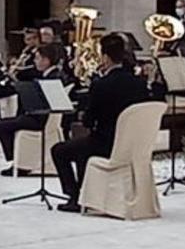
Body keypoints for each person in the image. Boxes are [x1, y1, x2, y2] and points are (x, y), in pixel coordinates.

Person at [51, 34, 152, 212]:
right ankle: (86, 194)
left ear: (105, 57)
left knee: (60, 150)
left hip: (106, 145)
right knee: (83, 148)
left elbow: (90, 121)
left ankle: (75, 196)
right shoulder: (139, 83)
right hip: (133, 146)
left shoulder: (102, 84)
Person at [0, 44, 67, 176]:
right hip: (39, 116)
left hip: (41, 118)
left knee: (0, 126)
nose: (35, 61)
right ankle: (18, 160)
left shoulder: (54, 77)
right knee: (3, 124)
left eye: (38, 58)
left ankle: (19, 163)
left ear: (46, 60)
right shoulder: (51, 74)